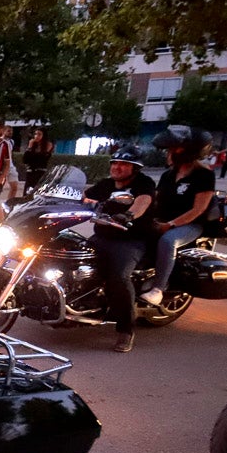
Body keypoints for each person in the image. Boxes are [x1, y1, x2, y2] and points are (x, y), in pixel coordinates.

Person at [83, 150, 157, 353]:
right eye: (114, 163)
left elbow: (142, 202)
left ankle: (125, 330)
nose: (117, 167)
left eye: (123, 164)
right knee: (72, 258)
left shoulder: (144, 183)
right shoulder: (106, 184)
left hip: (131, 240)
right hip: (102, 236)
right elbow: (83, 196)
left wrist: (129, 215)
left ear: (135, 168)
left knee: (119, 276)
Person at [141, 125, 217, 306]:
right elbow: (156, 200)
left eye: (174, 148)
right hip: (164, 220)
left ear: (190, 150)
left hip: (190, 225)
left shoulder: (204, 175)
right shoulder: (168, 175)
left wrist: (171, 224)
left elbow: (198, 209)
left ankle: (158, 289)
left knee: (168, 241)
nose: (170, 152)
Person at [22, 128, 54, 195]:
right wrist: (29, 147)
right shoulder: (33, 145)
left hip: (40, 173)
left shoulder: (48, 145)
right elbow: (25, 160)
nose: (36, 136)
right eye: (35, 134)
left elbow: (41, 159)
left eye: (39, 134)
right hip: (30, 172)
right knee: (27, 193)